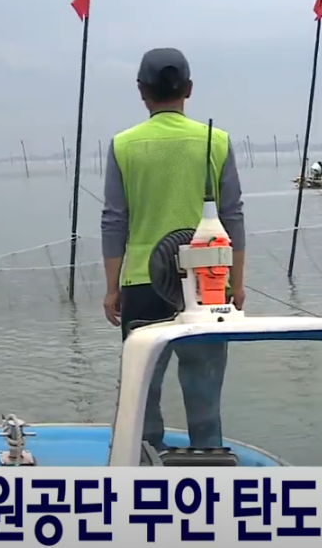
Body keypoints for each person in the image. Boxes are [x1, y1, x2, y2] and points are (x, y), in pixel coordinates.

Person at [100, 47, 246, 450]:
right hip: (208, 285)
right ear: (189, 89)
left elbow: (115, 220)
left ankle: (147, 460)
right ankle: (209, 457)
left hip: (143, 285)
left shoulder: (124, 145)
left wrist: (112, 288)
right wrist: (237, 281)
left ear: (142, 92)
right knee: (204, 386)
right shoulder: (216, 141)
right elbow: (232, 216)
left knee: (142, 385)